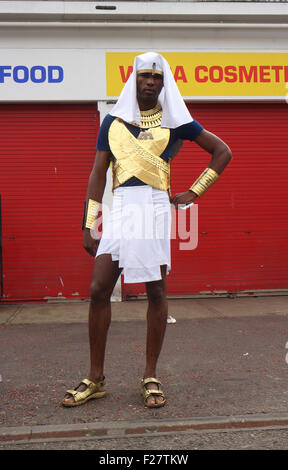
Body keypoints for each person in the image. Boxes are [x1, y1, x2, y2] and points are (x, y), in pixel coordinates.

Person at [62, 52, 232, 409]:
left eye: (156, 76)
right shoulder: (113, 120)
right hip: (121, 208)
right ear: (134, 80)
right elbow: (98, 172)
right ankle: (96, 377)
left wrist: (194, 192)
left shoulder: (176, 120)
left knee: (156, 290)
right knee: (98, 289)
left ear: (163, 82)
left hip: (154, 209)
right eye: (144, 76)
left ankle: (150, 374)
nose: (150, 82)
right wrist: (88, 222)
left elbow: (222, 152)